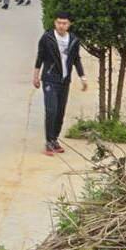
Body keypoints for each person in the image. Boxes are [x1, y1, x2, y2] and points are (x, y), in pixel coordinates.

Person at [33, 12, 88, 155]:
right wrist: (36, 76)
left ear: (69, 24)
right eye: (59, 23)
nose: (61, 26)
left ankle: (54, 139)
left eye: (64, 23)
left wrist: (82, 77)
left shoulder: (74, 40)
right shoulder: (47, 38)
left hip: (64, 80)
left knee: (60, 112)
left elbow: (76, 59)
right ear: (55, 23)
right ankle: (48, 142)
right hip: (50, 78)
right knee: (51, 110)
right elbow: (40, 57)